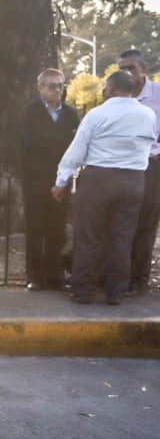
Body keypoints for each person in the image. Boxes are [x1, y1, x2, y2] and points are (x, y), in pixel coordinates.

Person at [52, 70, 157, 305]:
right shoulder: (148, 115)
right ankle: (115, 291)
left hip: (99, 178)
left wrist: (61, 181)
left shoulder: (97, 114)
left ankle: (82, 290)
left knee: (89, 236)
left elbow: (76, 151)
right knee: (122, 237)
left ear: (110, 88)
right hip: (134, 181)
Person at [19, 69, 81, 291]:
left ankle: (55, 275)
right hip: (35, 179)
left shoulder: (71, 114)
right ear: (40, 88)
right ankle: (35, 276)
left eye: (60, 85)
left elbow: (76, 145)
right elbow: (29, 143)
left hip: (62, 180)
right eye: (52, 85)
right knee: (36, 228)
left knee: (57, 228)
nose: (57, 90)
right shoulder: (30, 112)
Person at [118, 50, 160, 295]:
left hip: (151, 165)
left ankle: (138, 279)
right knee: (123, 223)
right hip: (123, 165)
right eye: (122, 68)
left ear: (143, 69)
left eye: (131, 68)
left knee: (145, 223)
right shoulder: (118, 95)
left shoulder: (158, 94)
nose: (127, 73)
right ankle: (117, 276)